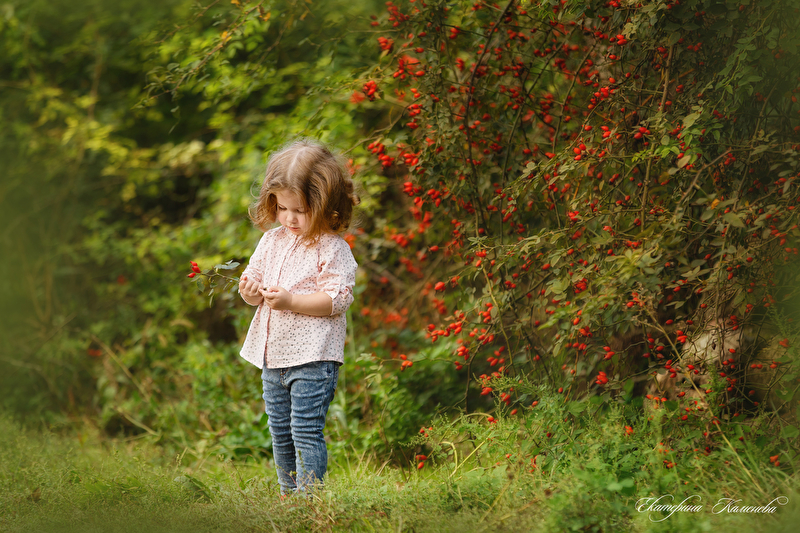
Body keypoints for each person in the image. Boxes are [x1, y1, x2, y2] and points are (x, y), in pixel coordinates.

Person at [237, 139, 359, 495]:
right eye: (282, 208)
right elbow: (253, 285)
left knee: (305, 429)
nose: (290, 218)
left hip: (313, 357)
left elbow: (336, 300)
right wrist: (250, 291)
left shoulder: (332, 247)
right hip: (273, 355)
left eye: (300, 210)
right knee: (280, 430)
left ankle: (310, 499)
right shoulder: (271, 241)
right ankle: (288, 496)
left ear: (325, 206)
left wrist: (291, 300)